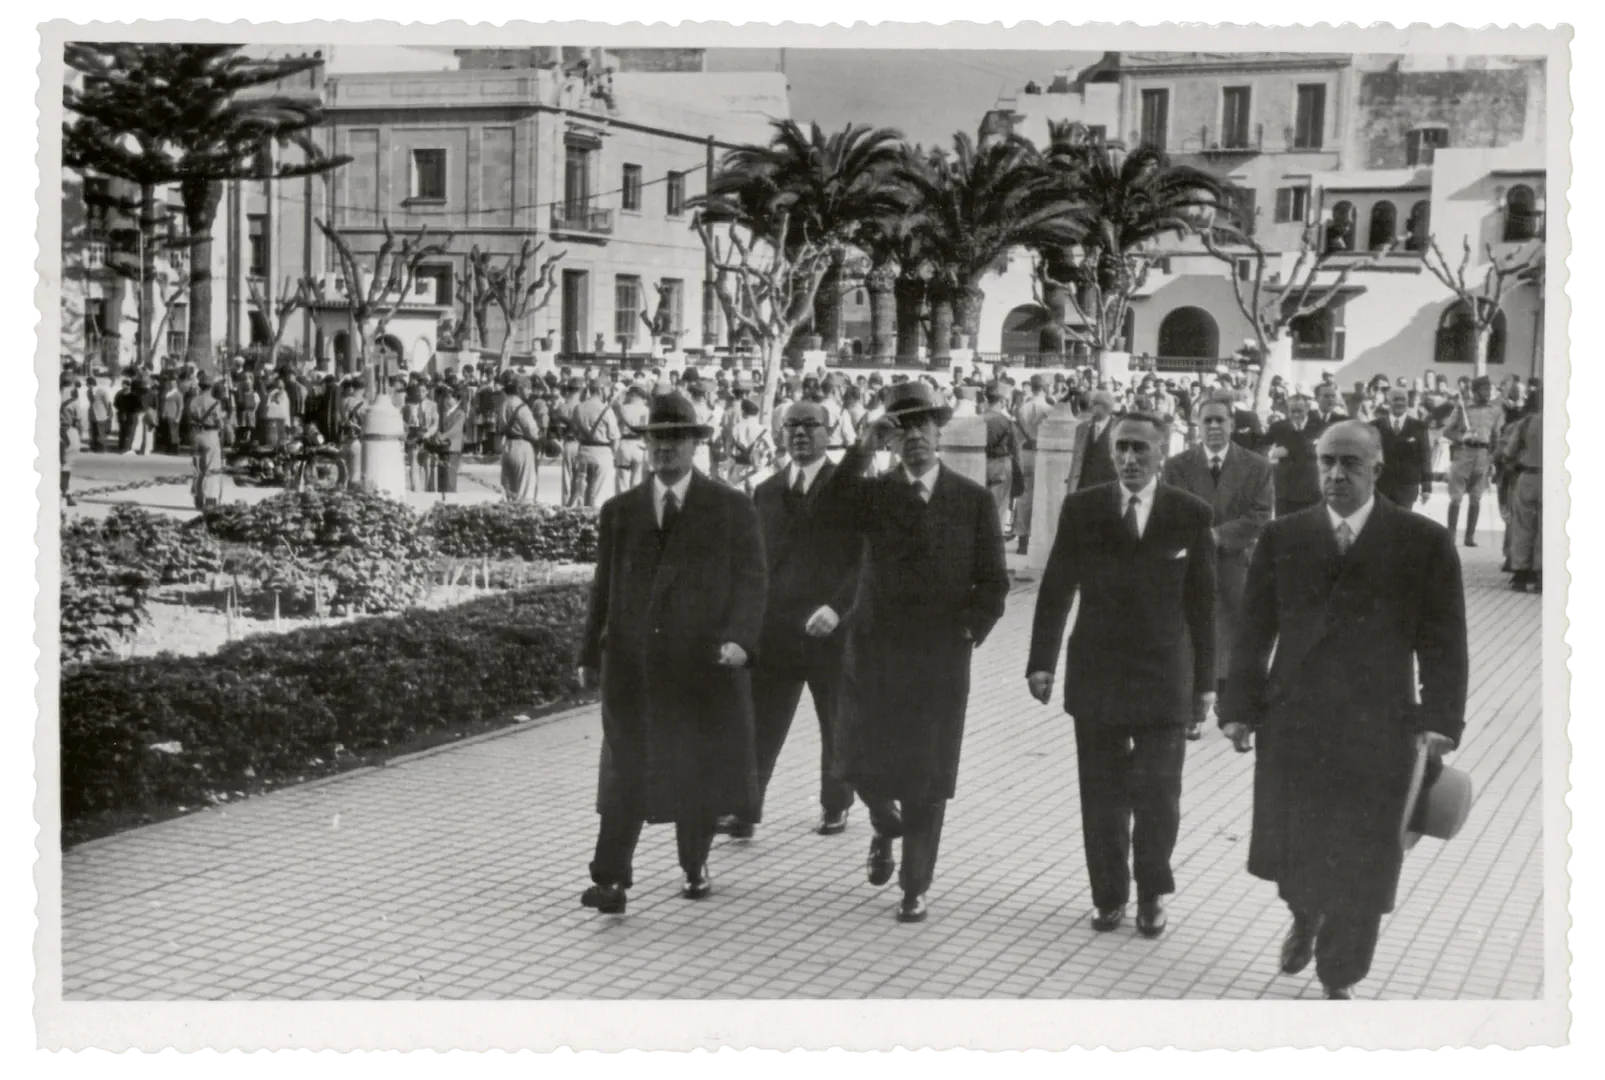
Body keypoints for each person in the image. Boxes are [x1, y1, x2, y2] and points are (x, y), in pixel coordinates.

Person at [1219, 420, 1469, 1000]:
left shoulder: (1421, 542)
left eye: (1350, 463)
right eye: (1327, 461)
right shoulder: (1284, 537)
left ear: (1376, 469)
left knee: (1366, 854)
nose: (1335, 474)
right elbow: (1254, 630)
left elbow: (1443, 639)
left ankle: (1341, 973)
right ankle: (1306, 913)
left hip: (1380, 725)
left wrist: (1439, 721)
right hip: (1295, 720)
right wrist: (1239, 707)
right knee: (1295, 848)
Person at [1026, 410, 1217, 939]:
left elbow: (1203, 603)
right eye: (1121, 449)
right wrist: (1041, 662)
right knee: (1103, 795)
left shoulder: (1191, 513)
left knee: (1159, 794)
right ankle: (1108, 896)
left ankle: (1153, 891)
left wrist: (1206, 683)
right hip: (1099, 674)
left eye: (1140, 448)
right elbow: (1057, 587)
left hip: (1164, 678)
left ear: (1163, 453)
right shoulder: (1083, 509)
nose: (1130, 459)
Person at [825, 381, 1010, 923]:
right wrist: (862, 446)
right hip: (875, 654)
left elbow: (993, 583)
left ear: (939, 431)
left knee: (928, 774)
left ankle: (915, 885)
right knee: (859, 764)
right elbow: (829, 510)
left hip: (939, 661)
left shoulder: (971, 501)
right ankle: (883, 822)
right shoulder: (873, 493)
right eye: (901, 430)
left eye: (923, 427)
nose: (914, 439)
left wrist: (968, 633)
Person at [576, 391, 767, 915]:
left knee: (696, 773)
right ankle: (611, 881)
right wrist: (589, 652)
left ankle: (694, 864)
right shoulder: (620, 511)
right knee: (623, 774)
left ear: (694, 446)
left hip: (700, 666)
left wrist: (740, 639)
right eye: (656, 439)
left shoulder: (731, 508)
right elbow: (604, 587)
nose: (664, 450)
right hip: (632, 669)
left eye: (675, 440)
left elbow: (752, 583)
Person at [716, 401, 863, 842]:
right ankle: (743, 809)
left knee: (836, 721)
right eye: (791, 426)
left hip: (830, 631)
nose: (800, 434)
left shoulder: (851, 486)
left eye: (810, 426)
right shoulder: (765, 491)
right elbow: (753, 565)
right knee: (759, 724)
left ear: (829, 430)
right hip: (777, 633)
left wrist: (837, 608)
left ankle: (835, 804)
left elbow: (865, 561)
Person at [1161, 396, 1274, 703]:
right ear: (1196, 425)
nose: (1213, 426)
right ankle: (1193, 707)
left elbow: (1261, 515)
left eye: (1219, 420)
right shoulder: (1177, 466)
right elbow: (1170, 512)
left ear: (1232, 425)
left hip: (1235, 562)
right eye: (1206, 420)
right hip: (1191, 566)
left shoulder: (1257, 466)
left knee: (1235, 635)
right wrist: (1197, 539)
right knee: (1191, 634)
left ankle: (1231, 704)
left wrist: (1217, 535)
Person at [1441, 375, 1504, 547]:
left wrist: (1493, 458)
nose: (1487, 392)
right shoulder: (1463, 408)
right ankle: (1451, 535)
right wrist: (1462, 438)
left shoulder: (1495, 410)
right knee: (1456, 498)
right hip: (1464, 453)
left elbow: (1497, 436)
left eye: (1489, 389)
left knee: (1476, 498)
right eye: (1484, 389)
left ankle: (1469, 536)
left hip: (1483, 455)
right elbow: (1446, 431)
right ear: (1475, 391)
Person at [1501, 388, 1543, 593]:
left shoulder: (1525, 423)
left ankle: (1520, 572)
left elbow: (1508, 452)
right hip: (1552, 479)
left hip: (1527, 476)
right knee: (1545, 528)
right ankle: (1540, 573)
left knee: (1523, 526)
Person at [1260, 394, 1327, 518]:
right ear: (1287, 410)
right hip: (1286, 488)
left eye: (1299, 411)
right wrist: (1271, 453)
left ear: (1307, 408)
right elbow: (1260, 448)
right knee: (1284, 527)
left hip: (1312, 486)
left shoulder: (1321, 426)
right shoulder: (1278, 427)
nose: (1296, 415)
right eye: (1292, 411)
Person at [1012, 375, 1056, 555]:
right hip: (1042, 451)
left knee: (1024, 494)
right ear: (1045, 387)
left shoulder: (1022, 407)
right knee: (1043, 494)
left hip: (1025, 450)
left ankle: (1022, 538)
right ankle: (1038, 536)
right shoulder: (1048, 408)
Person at [1373, 387, 1433, 509]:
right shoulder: (1375, 426)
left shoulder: (1419, 427)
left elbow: (1425, 456)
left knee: (1404, 524)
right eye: (1396, 399)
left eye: (1403, 399)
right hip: (1382, 485)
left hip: (1407, 486)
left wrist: (1427, 486)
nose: (1399, 403)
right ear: (1388, 402)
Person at [569, 381, 621, 508]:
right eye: (608, 389)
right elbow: (615, 436)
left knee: (581, 493)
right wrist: (613, 453)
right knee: (599, 496)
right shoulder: (606, 409)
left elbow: (574, 430)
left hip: (583, 450)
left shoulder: (579, 407)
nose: (609, 392)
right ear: (600, 390)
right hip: (602, 452)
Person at [981, 381, 1017, 535]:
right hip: (1001, 464)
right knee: (998, 510)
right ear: (1002, 401)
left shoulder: (977, 419)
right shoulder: (1005, 422)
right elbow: (1014, 448)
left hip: (980, 463)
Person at [186, 377, 228, 509]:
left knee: (197, 468)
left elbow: (190, 417)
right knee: (211, 467)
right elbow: (219, 423)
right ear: (211, 388)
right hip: (210, 434)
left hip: (196, 435)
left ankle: (198, 497)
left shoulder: (193, 401)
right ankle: (209, 499)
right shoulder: (214, 402)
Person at [500, 378, 543, 504]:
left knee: (508, 489)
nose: (530, 391)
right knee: (524, 489)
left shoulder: (504, 403)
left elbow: (500, 427)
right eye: (527, 388)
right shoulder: (522, 407)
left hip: (507, 445)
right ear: (519, 389)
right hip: (522, 446)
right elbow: (533, 432)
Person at [1066, 390, 1118, 494]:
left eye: (1094, 404)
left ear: (1105, 407)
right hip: (1084, 485)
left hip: (1108, 485)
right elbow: (1076, 460)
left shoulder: (1118, 428)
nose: (1091, 406)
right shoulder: (1082, 428)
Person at [613, 382, 651, 494]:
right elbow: (645, 427)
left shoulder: (622, 408)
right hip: (639, 445)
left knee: (622, 480)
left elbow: (616, 426)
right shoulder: (645, 410)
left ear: (632, 395)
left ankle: (621, 507)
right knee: (637, 480)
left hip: (624, 444)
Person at [60, 377, 82, 506]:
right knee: (66, 465)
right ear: (72, 385)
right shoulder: (74, 401)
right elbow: (78, 419)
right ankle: (65, 493)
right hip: (68, 433)